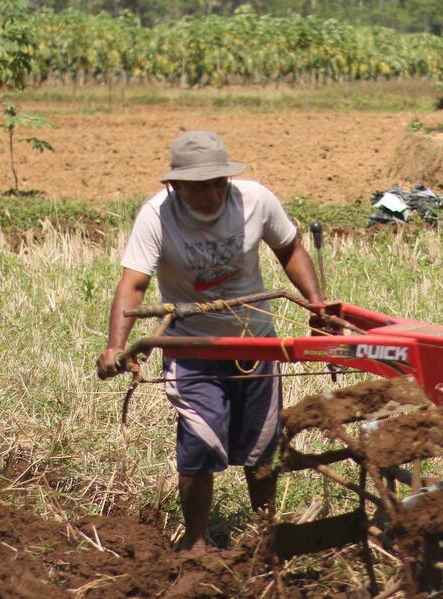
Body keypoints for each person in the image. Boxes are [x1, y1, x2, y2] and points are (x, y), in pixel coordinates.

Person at [96, 130, 323, 550]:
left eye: (219, 183)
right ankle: (196, 542)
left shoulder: (255, 200)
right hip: (191, 349)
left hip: (255, 344)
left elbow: (289, 248)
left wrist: (317, 304)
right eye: (200, 187)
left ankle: (266, 534)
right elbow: (134, 285)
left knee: (262, 449)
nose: (213, 194)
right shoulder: (157, 216)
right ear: (175, 185)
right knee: (201, 441)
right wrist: (116, 345)